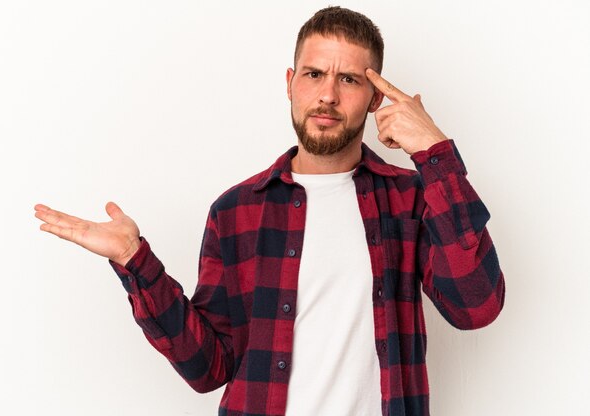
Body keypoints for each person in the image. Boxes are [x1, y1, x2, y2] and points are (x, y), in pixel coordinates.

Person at [34, 6, 505, 416]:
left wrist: (436, 155)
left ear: (375, 98)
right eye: (314, 74)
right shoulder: (236, 211)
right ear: (290, 83)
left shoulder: (412, 199)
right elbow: (208, 367)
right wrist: (135, 260)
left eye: (349, 80)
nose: (328, 96)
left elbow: (476, 307)